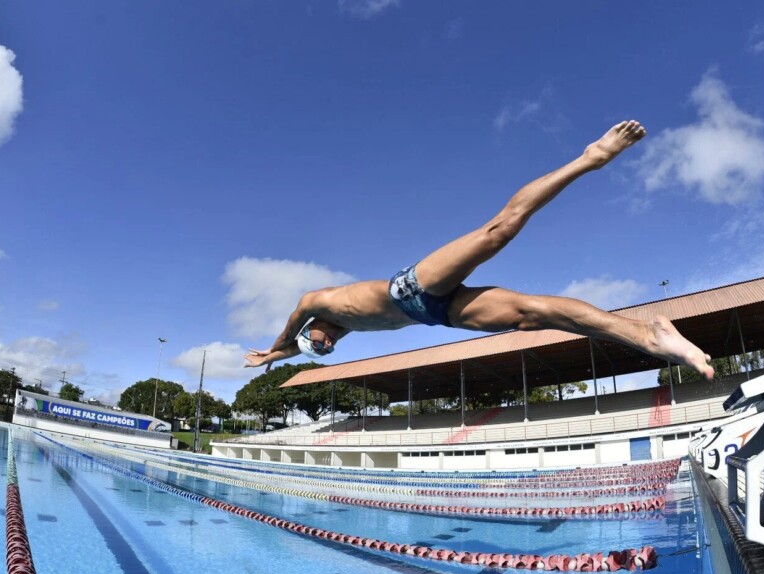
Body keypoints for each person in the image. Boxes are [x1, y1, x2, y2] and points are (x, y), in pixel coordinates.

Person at [244, 120, 714, 380]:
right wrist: (281, 359)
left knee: (499, 231)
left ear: (312, 328)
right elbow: (300, 350)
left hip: (410, 287)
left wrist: (276, 345)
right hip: (439, 315)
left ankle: (590, 158)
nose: (323, 345)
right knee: (531, 315)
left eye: (316, 341)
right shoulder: (345, 328)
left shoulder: (319, 302)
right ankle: (648, 335)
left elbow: (293, 322)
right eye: (320, 350)